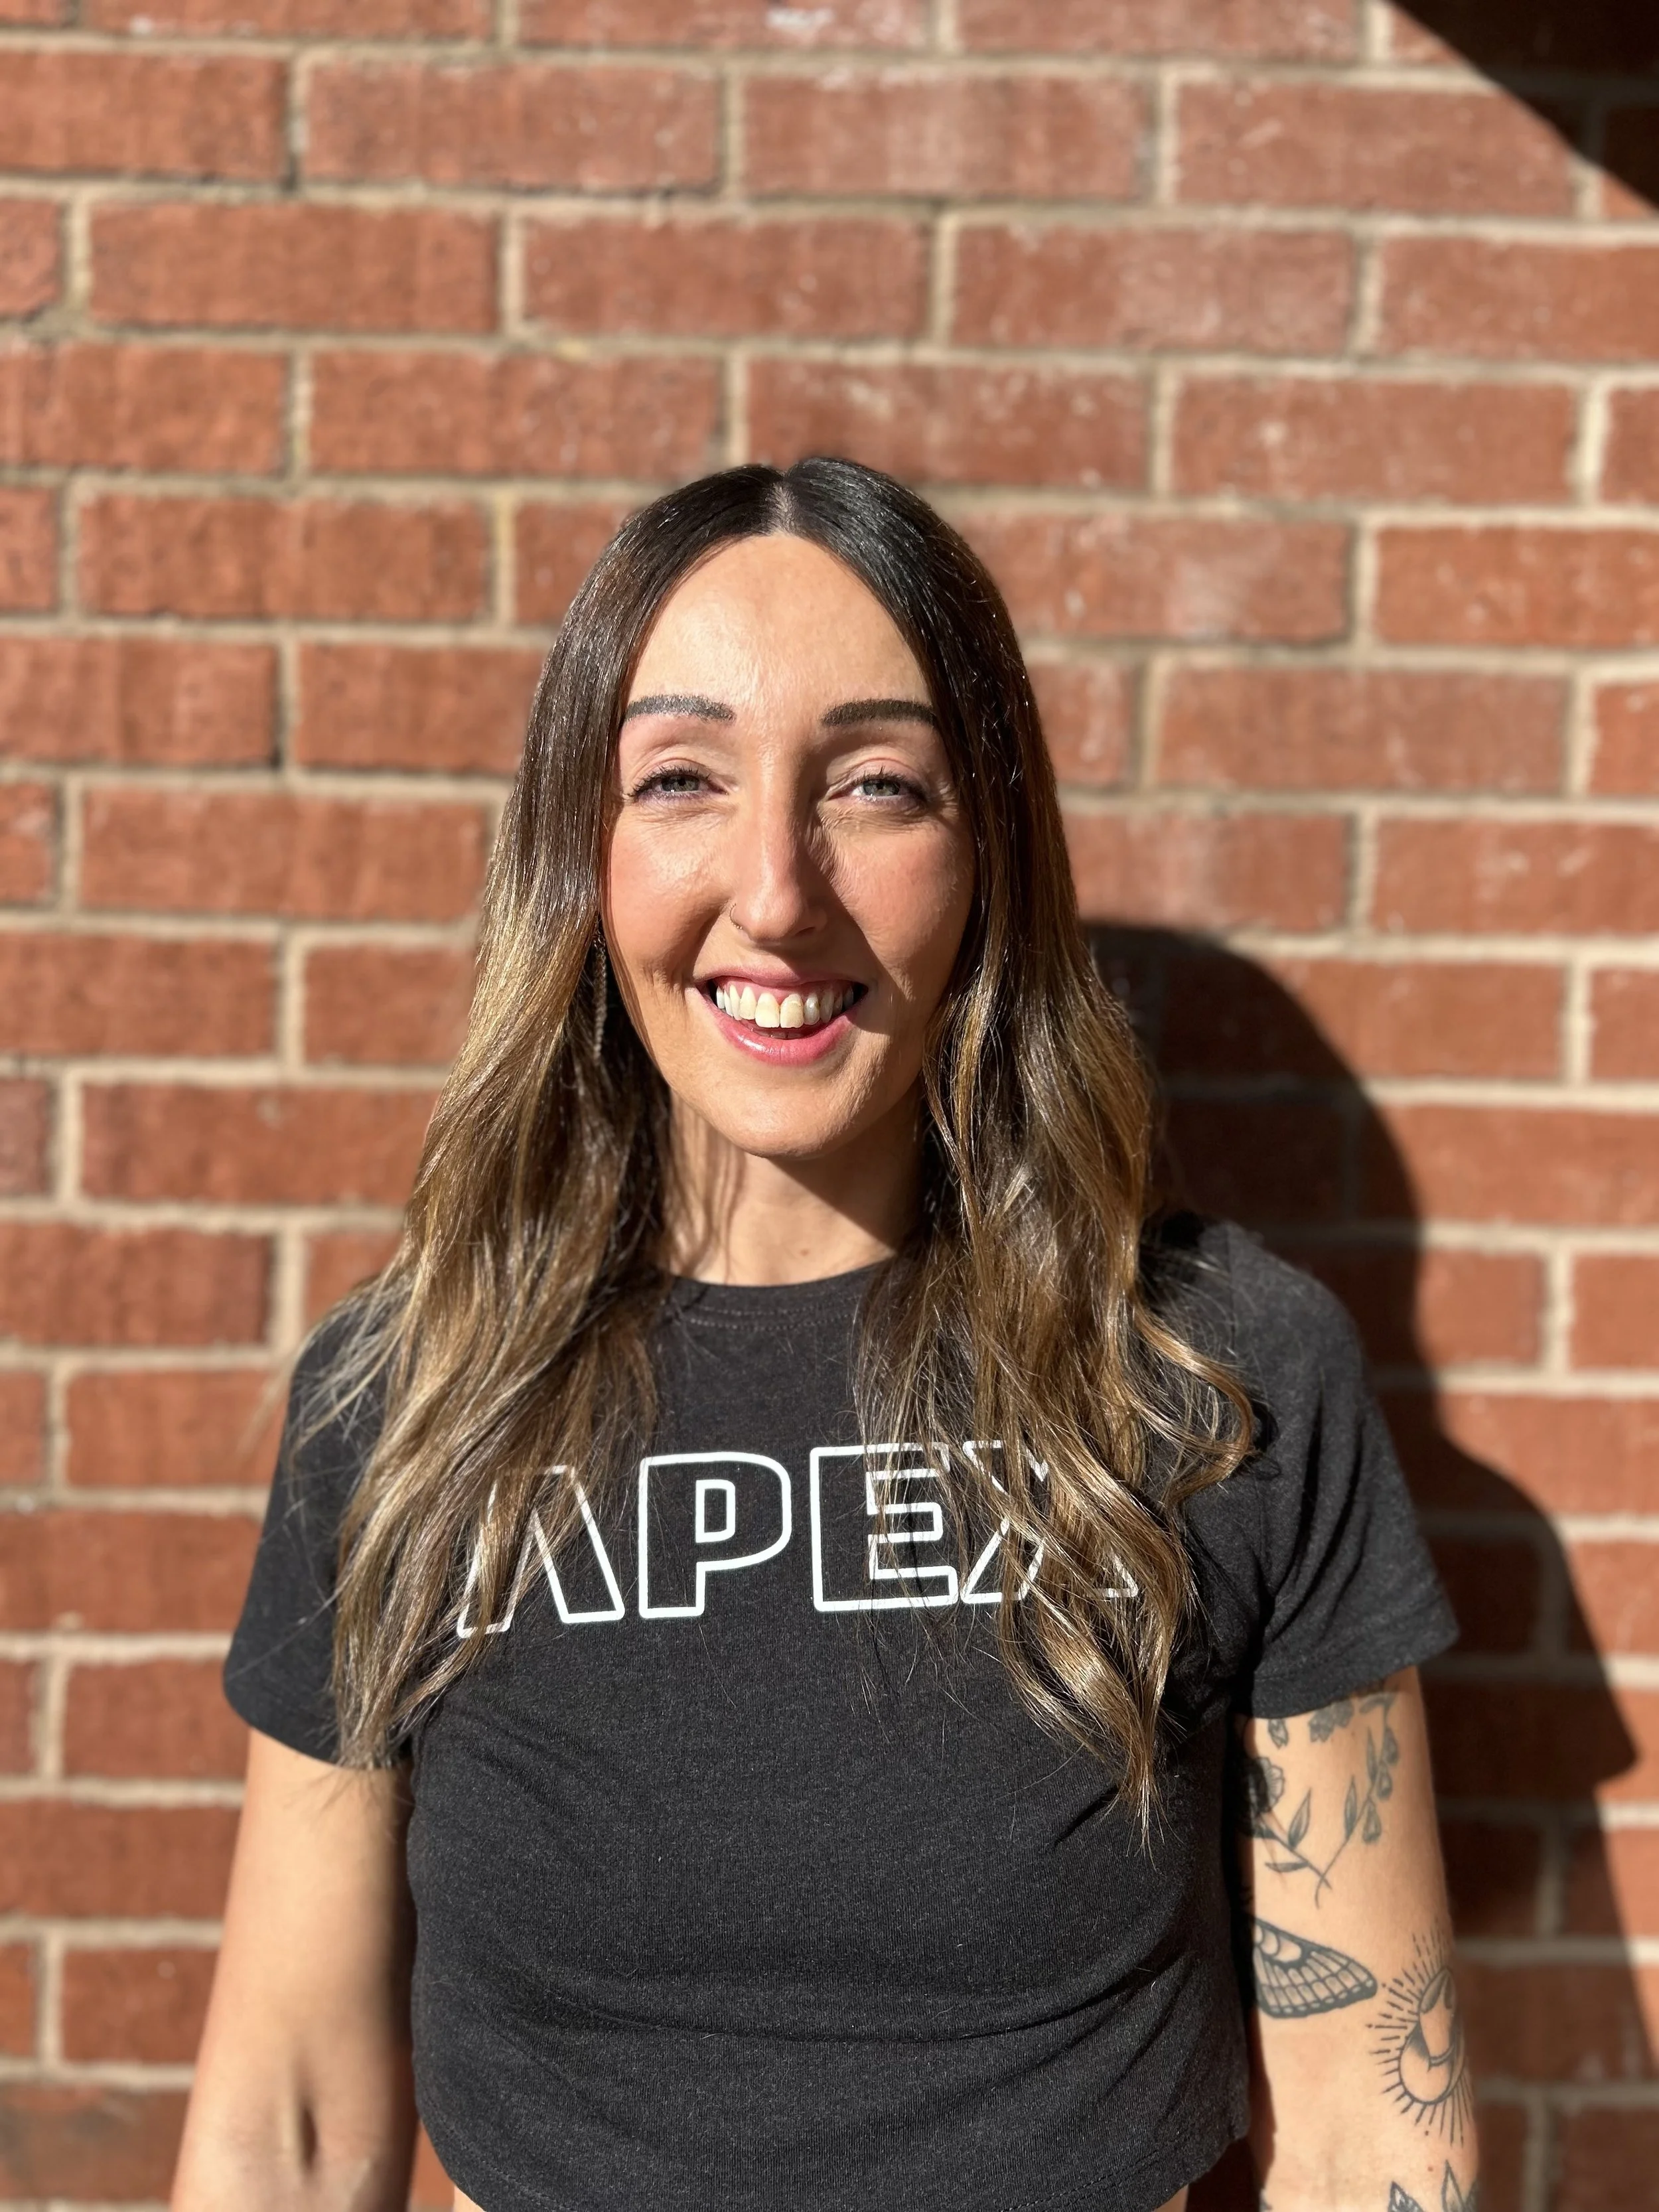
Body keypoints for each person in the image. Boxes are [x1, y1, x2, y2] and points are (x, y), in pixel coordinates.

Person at [173, 459, 1473, 2212]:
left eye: (872, 782)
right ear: (584, 852)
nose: (777, 890)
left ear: (985, 846)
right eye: (681, 778)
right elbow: (291, 2121)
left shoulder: (1215, 1378)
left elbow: (1371, 2123)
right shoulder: (410, 1402)